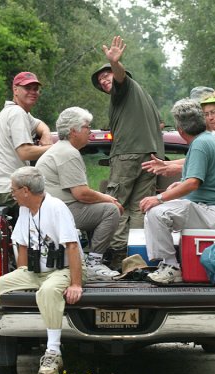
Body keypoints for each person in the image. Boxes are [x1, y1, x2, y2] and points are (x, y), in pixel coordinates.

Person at [0, 166, 84, 374]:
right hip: (34, 271)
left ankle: (53, 352)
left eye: (13, 189)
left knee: (48, 291)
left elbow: (72, 247)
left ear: (25, 190)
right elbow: (22, 244)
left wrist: (76, 284)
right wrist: (22, 275)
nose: (11, 193)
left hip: (62, 269)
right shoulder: (25, 209)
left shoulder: (56, 207)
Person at [139, 98, 215, 284]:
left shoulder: (199, 144)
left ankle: (171, 266)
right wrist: (173, 179)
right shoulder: (209, 140)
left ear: (180, 130)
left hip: (212, 212)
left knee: (156, 212)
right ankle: (170, 263)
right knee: (164, 209)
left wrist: (158, 198)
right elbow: (192, 175)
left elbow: (192, 183)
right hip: (212, 209)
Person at [91, 35, 165, 267]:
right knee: (139, 208)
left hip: (127, 155)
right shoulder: (144, 96)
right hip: (151, 157)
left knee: (116, 206)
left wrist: (114, 62)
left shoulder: (123, 86)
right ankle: (138, 258)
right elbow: (160, 125)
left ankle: (115, 257)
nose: (104, 81)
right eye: (101, 80)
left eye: (107, 76)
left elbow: (120, 76)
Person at [36, 107, 123, 280]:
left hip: (52, 211)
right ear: (73, 130)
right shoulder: (68, 152)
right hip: (59, 213)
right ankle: (94, 263)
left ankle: (90, 257)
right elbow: (81, 194)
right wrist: (109, 198)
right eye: (86, 126)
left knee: (101, 206)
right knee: (110, 210)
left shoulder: (60, 149)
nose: (90, 131)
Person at [0, 71, 54, 213]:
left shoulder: (13, 112)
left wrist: (45, 133)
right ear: (15, 90)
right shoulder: (17, 113)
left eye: (36, 89)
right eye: (28, 88)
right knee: (54, 206)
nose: (33, 92)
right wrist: (54, 148)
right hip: (9, 190)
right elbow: (25, 152)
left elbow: (39, 124)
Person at [142, 86, 214, 178]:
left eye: (206, 110)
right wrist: (165, 164)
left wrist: (175, 169)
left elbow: (209, 167)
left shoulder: (214, 136)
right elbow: (193, 160)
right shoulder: (204, 136)